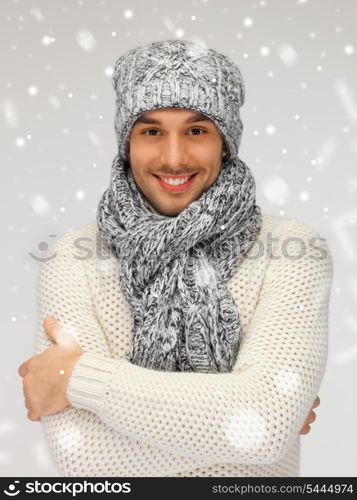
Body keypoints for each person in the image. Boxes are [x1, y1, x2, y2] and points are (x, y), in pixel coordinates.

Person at [18, 39, 333, 477]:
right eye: (151, 131)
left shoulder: (293, 250)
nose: (173, 157)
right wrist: (242, 426)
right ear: (125, 142)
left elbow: (265, 426)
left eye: (196, 130)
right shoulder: (72, 259)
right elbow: (85, 458)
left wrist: (79, 378)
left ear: (226, 142)